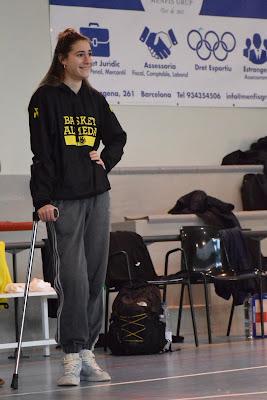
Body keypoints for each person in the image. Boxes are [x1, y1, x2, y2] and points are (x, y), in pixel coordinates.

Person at [28, 28, 126, 386]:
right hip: (63, 199)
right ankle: (70, 352)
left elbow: (117, 136)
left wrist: (106, 159)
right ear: (63, 59)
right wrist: (43, 200)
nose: (87, 60)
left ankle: (88, 351)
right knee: (72, 277)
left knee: (95, 275)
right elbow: (42, 154)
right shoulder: (44, 98)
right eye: (80, 54)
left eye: (89, 54)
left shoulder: (96, 99)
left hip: (98, 194)